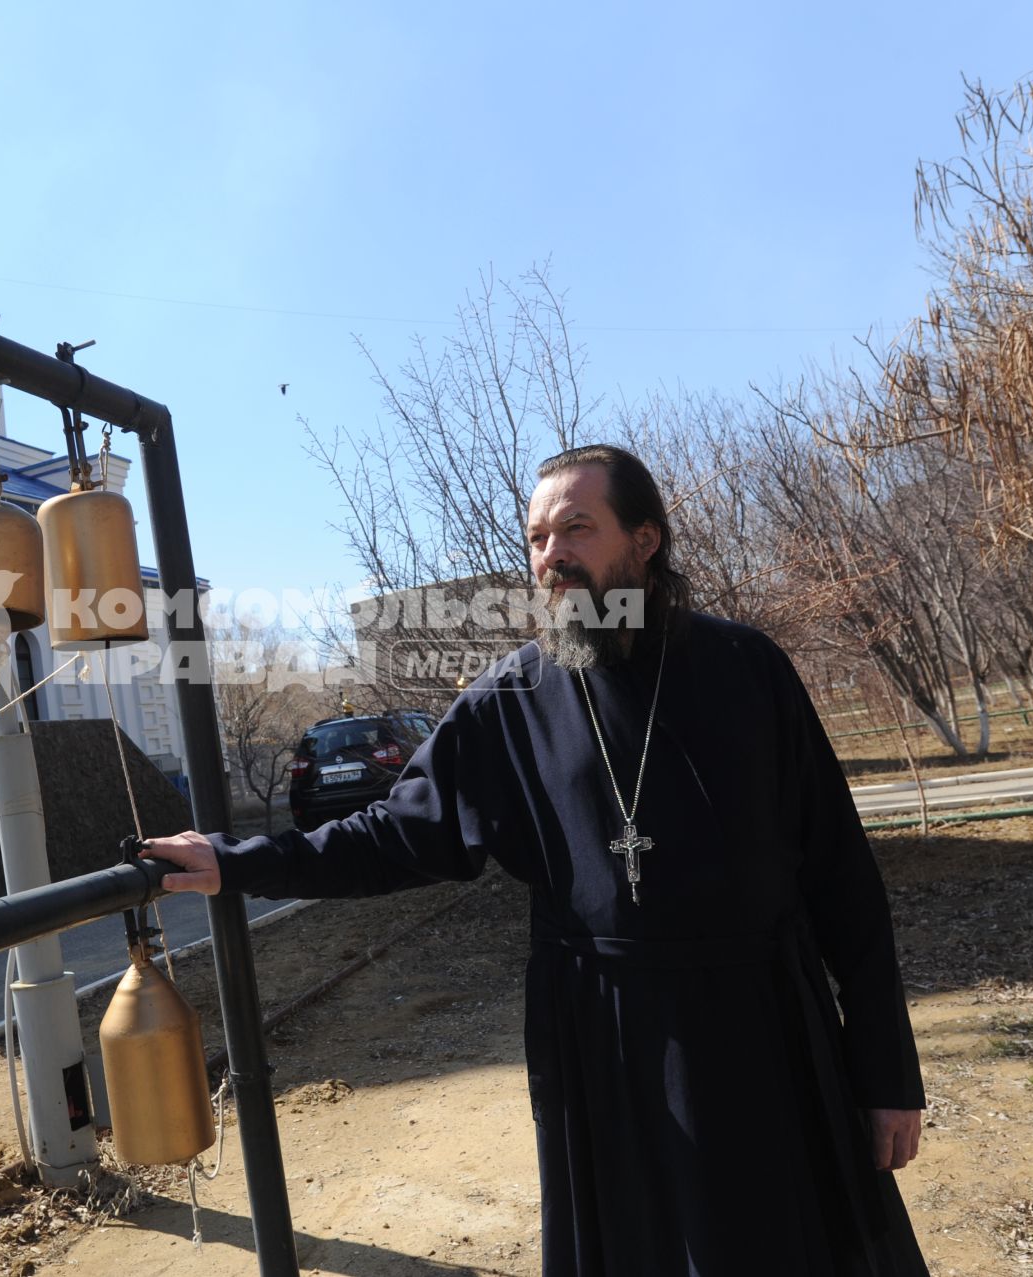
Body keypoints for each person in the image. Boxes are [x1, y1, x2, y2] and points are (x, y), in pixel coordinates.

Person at [147, 445, 929, 1276]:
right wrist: (239, 861)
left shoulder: (748, 669)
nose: (551, 555)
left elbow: (843, 877)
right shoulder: (510, 701)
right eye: (536, 538)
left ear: (645, 540)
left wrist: (885, 1070)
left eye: (577, 528)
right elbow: (395, 832)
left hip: (761, 1022)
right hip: (606, 1040)